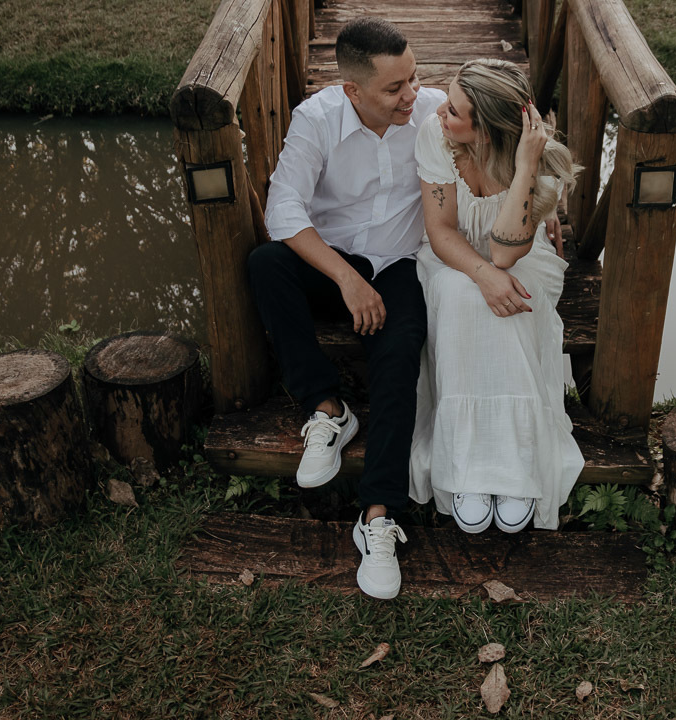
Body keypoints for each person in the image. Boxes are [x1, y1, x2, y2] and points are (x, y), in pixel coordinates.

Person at [247, 17, 446, 600]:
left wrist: (546, 210)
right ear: (352, 90)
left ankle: (378, 514)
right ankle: (327, 408)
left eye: (413, 78)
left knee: (401, 351)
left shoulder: (432, 109)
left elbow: (509, 135)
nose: (411, 95)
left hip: (402, 262)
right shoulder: (316, 118)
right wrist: (344, 279)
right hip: (333, 260)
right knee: (265, 264)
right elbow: (283, 210)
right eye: (394, 88)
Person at [408, 59, 585, 533]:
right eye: (447, 100)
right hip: (452, 252)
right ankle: (467, 464)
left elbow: (507, 254)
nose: (441, 111)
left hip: (519, 254)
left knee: (516, 298)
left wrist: (526, 166)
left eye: (456, 109)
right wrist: (481, 274)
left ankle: (515, 464)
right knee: (462, 296)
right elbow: (442, 231)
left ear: (485, 132)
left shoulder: (537, 161)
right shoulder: (435, 134)